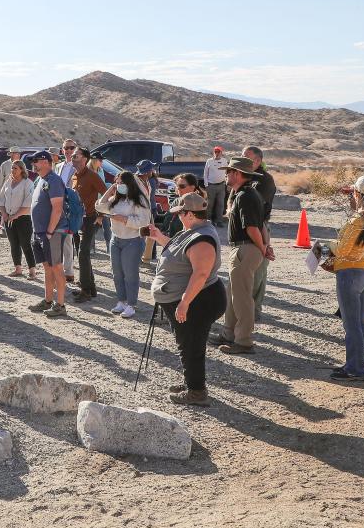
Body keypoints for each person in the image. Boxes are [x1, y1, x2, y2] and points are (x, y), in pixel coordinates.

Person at [148, 192, 227, 405]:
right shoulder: (193, 230)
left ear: (190, 214)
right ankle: (191, 382)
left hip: (199, 300)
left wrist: (184, 301)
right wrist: (159, 237)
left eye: (181, 213)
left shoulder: (202, 239)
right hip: (194, 299)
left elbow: (201, 274)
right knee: (186, 343)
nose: (178, 217)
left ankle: (196, 392)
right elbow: (179, 252)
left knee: (192, 345)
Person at [209, 157, 266, 355]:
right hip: (245, 248)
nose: (226, 175)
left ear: (237, 174)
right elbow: (261, 224)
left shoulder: (245, 196)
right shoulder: (244, 193)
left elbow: (252, 227)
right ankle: (229, 334)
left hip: (246, 248)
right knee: (233, 294)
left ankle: (244, 341)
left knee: (242, 297)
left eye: (229, 171)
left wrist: (263, 248)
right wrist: (264, 246)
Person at [327, 174, 364, 381]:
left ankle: (355, 368)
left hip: (348, 274)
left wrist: (323, 247)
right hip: (363, 272)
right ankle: (358, 365)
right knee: (358, 324)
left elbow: (341, 250)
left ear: (358, 194)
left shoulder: (356, 219)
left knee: (351, 326)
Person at [95, 171, 152, 318]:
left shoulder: (139, 199)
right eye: (117, 182)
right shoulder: (116, 199)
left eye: (121, 183)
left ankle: (131, 304)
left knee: (130, 274)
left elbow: (144, 221)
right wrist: (111, 189)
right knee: (117, 273)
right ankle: (121, 301)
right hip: (116, 239)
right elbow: (100, 206)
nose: (119, 185)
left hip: (133, 240)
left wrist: (124, 220)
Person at [27, 151, 70, 318]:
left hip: (52, 232)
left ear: (46, 162)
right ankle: (47, 300)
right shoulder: (41, 180)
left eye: (36, 161)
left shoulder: (54, 180)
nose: (33, 164)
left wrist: (50, 231)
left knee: (56, 267)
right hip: (40, 231)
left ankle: (60, 305)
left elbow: (57, 208)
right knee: (47, 267)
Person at [243, 146, 277, 323]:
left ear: (257, 160)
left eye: (246, 157)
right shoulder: (246, 177)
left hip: (259, 226)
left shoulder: (265, 180)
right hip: (246, 227)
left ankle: (254, 310)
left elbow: (258, 208)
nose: (243, 159)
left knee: (258, 271)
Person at [72, 147, 106, 301]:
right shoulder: (74, 176)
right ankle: (91, 288)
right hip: (77, 220)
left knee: (83, 253)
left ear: (85, 159)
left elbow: (106, 195)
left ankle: (85, 291)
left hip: (91, 218)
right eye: (72, 156)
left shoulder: (92, 176)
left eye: (76, 156)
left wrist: (101, 216)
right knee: (81, 252)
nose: (73, 158)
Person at [0, 160, 36, 279]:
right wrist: (4, 214)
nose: (12, 170)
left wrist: (16, 215)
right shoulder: (8, 182)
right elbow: (1, 199)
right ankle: (18, 269)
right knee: (14, 244)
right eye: (12, 168)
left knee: (25, 244)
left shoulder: (28, 183)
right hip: (8, 218)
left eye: (15, 168)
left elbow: (28, 204)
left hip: (23, 218)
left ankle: (32, 271)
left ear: (22, 170)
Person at [56, 139, 79, 283]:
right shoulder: (58, 166)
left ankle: (69, 271)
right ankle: (59, 270)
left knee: (68, 240)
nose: (69, 150)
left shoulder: (78, 167)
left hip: (70, 206)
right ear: (62, 150)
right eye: (66, 148)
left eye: (71, 148)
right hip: (57, 205)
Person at [162, 173, 205, 238]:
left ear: (192, 187)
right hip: (173, 240)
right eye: (177, 186)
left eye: (182, 186)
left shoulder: (199, 204)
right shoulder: (176, 201)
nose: (178, 189)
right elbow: (168, 219)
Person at [0, 146, 23, 237]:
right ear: (11, 154)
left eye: (19, 153)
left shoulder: (22, 164)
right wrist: (0, 196)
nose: (18, 155)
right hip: (6, 192)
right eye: (16, 153)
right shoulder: (5, 165)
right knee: (5, 211)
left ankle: (15, 230)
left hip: (18, 191)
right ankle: (4, 230)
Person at [136, 160, 160, 264]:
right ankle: (148, 256)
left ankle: (148, 256)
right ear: (147, 171)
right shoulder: (150, 180)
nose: (153, 170)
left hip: (149, 209)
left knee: (147, 234)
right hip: (147, 210)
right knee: (147, 234)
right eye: (151, 168)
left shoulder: (148, 181)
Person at [91, 152, 112, 253]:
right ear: (95, 160)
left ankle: (109, 246)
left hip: (102, 201)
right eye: (100, 160)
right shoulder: (88, 171)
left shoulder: (101, 170)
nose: (102, 162)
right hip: (91, 202)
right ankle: (91, 247)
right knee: (92, 224)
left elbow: (103, 185)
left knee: (106, 224)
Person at [204, 146, 228, 227]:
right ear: (213, 152)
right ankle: (208, 220)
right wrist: (206, 185)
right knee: (210, 204)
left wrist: (226, 182)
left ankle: (219, 221)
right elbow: (205, 173)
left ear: (221, 153)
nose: (217, 153)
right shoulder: (209, 161)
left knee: (220, 204)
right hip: (211, 186)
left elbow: (227, 172)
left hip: (221, 185)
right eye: (215, 152)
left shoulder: (224, 161)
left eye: (218, 152)